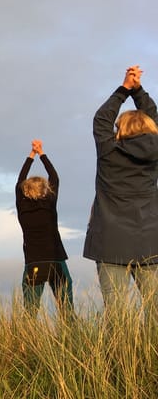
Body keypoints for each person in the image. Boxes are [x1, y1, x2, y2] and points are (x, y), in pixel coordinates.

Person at [84, 65, 158, 320]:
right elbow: (154, 116)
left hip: (110, 242)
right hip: (150, 241)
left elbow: (101, 119)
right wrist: (138, 91)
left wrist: (124, 88)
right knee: (156, 312)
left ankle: (120, 360)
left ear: (120, 130)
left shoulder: (109, 150)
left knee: (116, 314)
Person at [16, 139, 73, 316]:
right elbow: (54, 177)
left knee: (30, 313)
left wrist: (31, 154)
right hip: (56, 261)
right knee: (67, 311)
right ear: (46, 190)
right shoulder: (49, 203)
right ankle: (71, 337)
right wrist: (41, 152)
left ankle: (26, 343)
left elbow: (20, 179)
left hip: (33, 262)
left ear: (24, 191)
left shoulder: (22, 207)